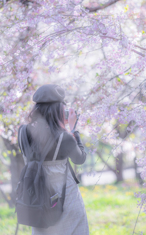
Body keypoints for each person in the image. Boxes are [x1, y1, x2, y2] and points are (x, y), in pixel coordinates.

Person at [17, 84, 89, 235]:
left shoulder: (22, 132)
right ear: (58, 110)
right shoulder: (64, 137)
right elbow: (80, 158)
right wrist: (73, 129)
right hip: (64, 201)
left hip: (36, 200)